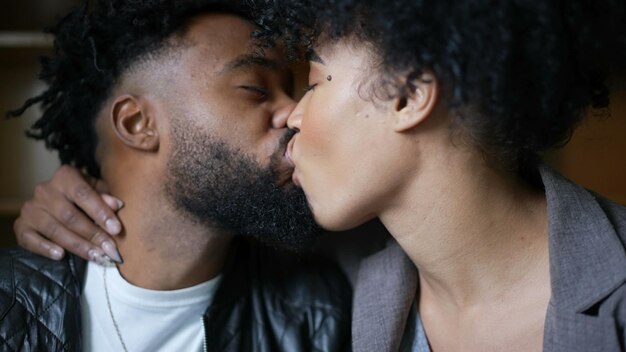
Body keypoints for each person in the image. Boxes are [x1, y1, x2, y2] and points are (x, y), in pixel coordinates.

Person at [14, 0, 626, 351]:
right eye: (261, 86)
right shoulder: (356, 282)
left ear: (411, 95)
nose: (295, 116)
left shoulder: (329, 299)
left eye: (310, 81)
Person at [0, 1, 351, 351]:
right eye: (255, 89)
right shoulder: (9, 305)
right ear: (138, 124)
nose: (294, 114)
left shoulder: (317, 312)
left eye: (290, 91)